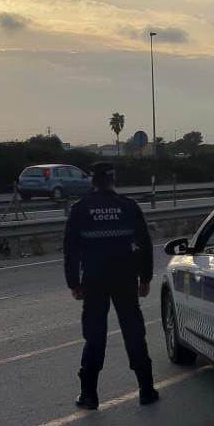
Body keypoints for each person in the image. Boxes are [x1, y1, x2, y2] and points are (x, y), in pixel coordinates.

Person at [64, 162, 158, 410]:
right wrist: (145, 278)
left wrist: (74, 283)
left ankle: (89, 395)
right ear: (113, 180)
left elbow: (71, 250)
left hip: (94, 282)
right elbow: (145, 244)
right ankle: (146, 390)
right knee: (134, 333)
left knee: (94, 337)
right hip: (125, 280)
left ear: (92, 181)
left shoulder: (81, 210)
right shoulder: (128, 207)